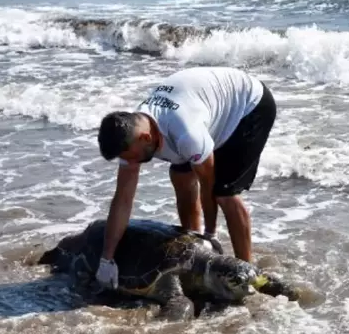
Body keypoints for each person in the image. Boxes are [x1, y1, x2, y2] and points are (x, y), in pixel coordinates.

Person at [95, 66, 277, 289]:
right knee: (180, 178)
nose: (129, 162)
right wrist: (107, 258)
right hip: (203, 110)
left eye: (129, 157)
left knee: (224, 193)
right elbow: (122, 200)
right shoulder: (129, 136)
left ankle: (248, 275)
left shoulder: (186, 133)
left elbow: (207, 185)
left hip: (248, 107)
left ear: (145, 138)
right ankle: (195, 257)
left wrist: (211, 233)